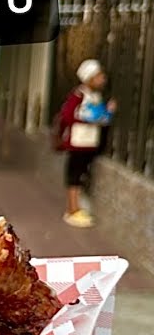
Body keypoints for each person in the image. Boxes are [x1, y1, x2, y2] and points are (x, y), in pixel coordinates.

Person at [56, 58, 116, 228]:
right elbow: (67, 115)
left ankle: (78, 207)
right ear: (89, 78)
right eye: (99, 76)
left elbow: (102, 117)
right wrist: (87, 118)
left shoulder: (95, 96)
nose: (102, 79)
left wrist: (107, 112)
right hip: (78, 142)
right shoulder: (79, 94)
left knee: (81, 174)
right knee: (74, 175)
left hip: (90, 142)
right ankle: (72, 209)